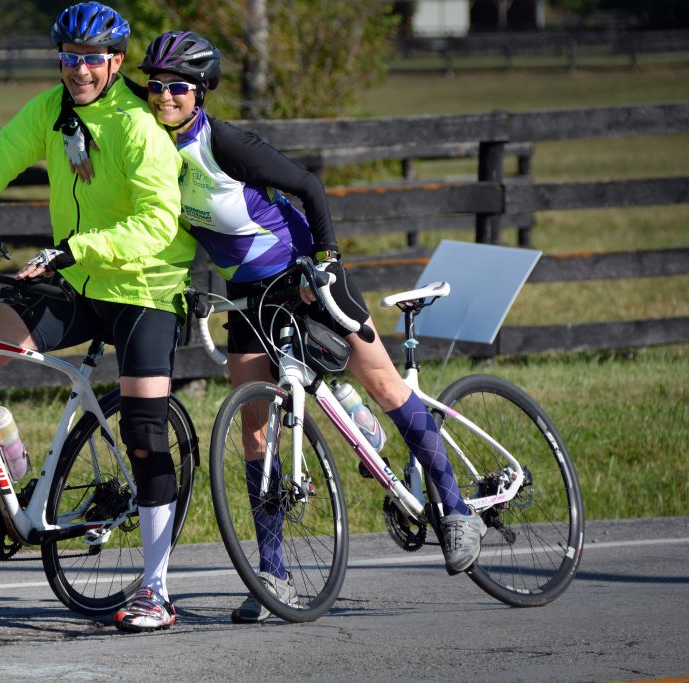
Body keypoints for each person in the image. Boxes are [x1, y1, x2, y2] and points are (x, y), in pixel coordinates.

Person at [129, 30, 486, 623]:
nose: (164, 96)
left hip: (303, 273)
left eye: (177, 87)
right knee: (253, 427)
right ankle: (273, 573)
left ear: (200, 92)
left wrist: (324, 259)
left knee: (384, 384)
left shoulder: (225, 141)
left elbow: (309, 187)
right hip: (247, 293)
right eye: (156, 86)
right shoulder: (152, 151)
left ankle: (454, 510)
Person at [0, 3, 196, 634]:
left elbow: (157, 222)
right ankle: (4, 472)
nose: (79, 70)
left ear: (115, 62)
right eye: (69, 57)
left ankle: (155, 590)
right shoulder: (51, 110)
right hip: (79, 278)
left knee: (144, 436)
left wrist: (73, 249)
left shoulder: (139, 125)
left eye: (92, 58)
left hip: (144, 287)